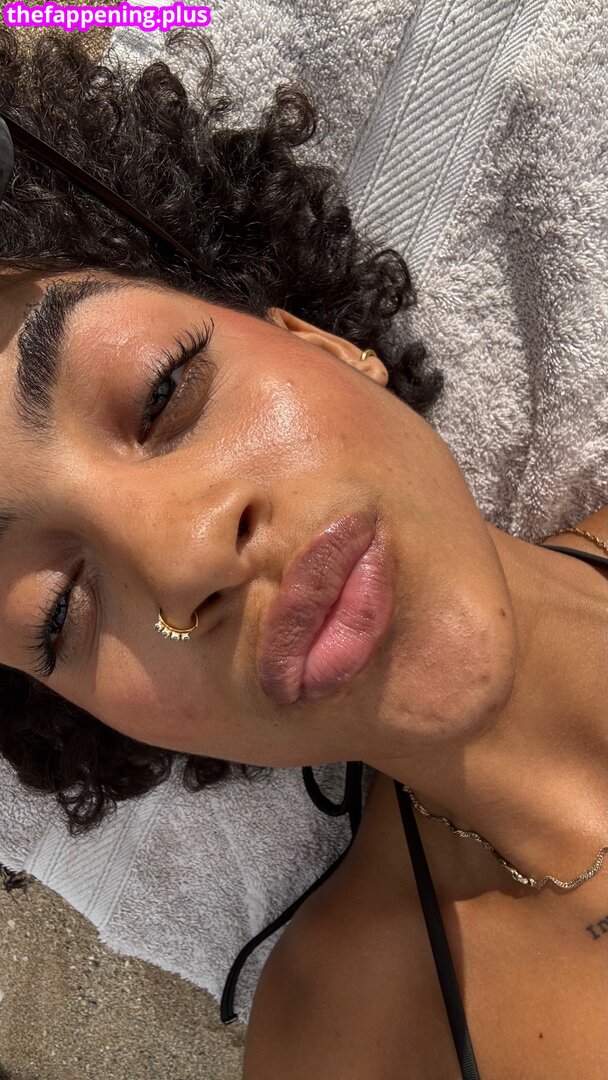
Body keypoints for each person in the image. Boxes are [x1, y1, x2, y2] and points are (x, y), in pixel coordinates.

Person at [0, 26, 606, 1080]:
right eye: (61, 610)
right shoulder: (346, 1049)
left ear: (322, 341)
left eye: (162, 394)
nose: (186, 555)